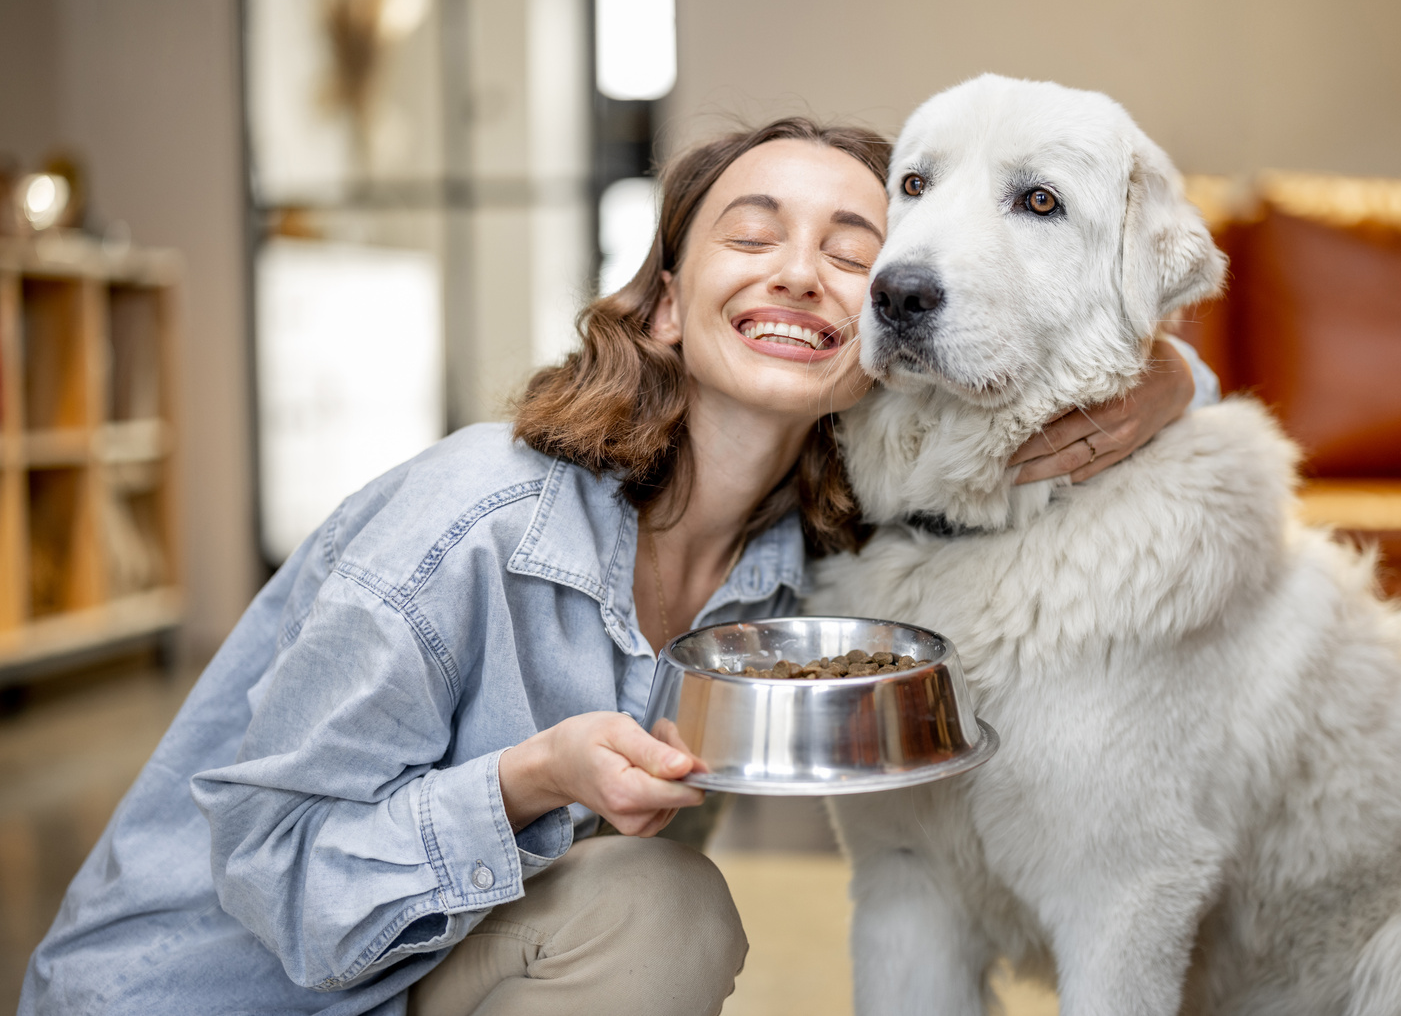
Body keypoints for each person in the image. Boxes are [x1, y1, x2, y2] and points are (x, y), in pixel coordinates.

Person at [21, 117, 1217, 1016]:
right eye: (750, 235)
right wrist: (529, 778)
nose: (801, 272)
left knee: (655, 915)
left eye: (853, 254)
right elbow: (274, 871)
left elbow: (1034, 396)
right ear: (661, 308)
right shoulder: (470, 517)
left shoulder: (815, 564)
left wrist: (1169, 374)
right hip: (202, 993)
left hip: (414, 977)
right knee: (662, 909)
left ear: (884, 341)